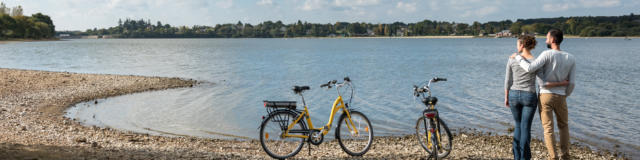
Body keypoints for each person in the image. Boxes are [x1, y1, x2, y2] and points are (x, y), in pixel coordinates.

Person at [512, 29, 576, 160]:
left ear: (553, 40)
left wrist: (518, 57)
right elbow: (572, 83)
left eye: (547, 38)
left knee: (548, 128)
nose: (546, 40)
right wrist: (565, 94)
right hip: (562, 96)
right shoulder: (571, 57)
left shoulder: (546, 54)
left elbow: (530, 69)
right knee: (564, 126)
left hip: (545, 96)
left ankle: (553, 157)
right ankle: (565, 156)